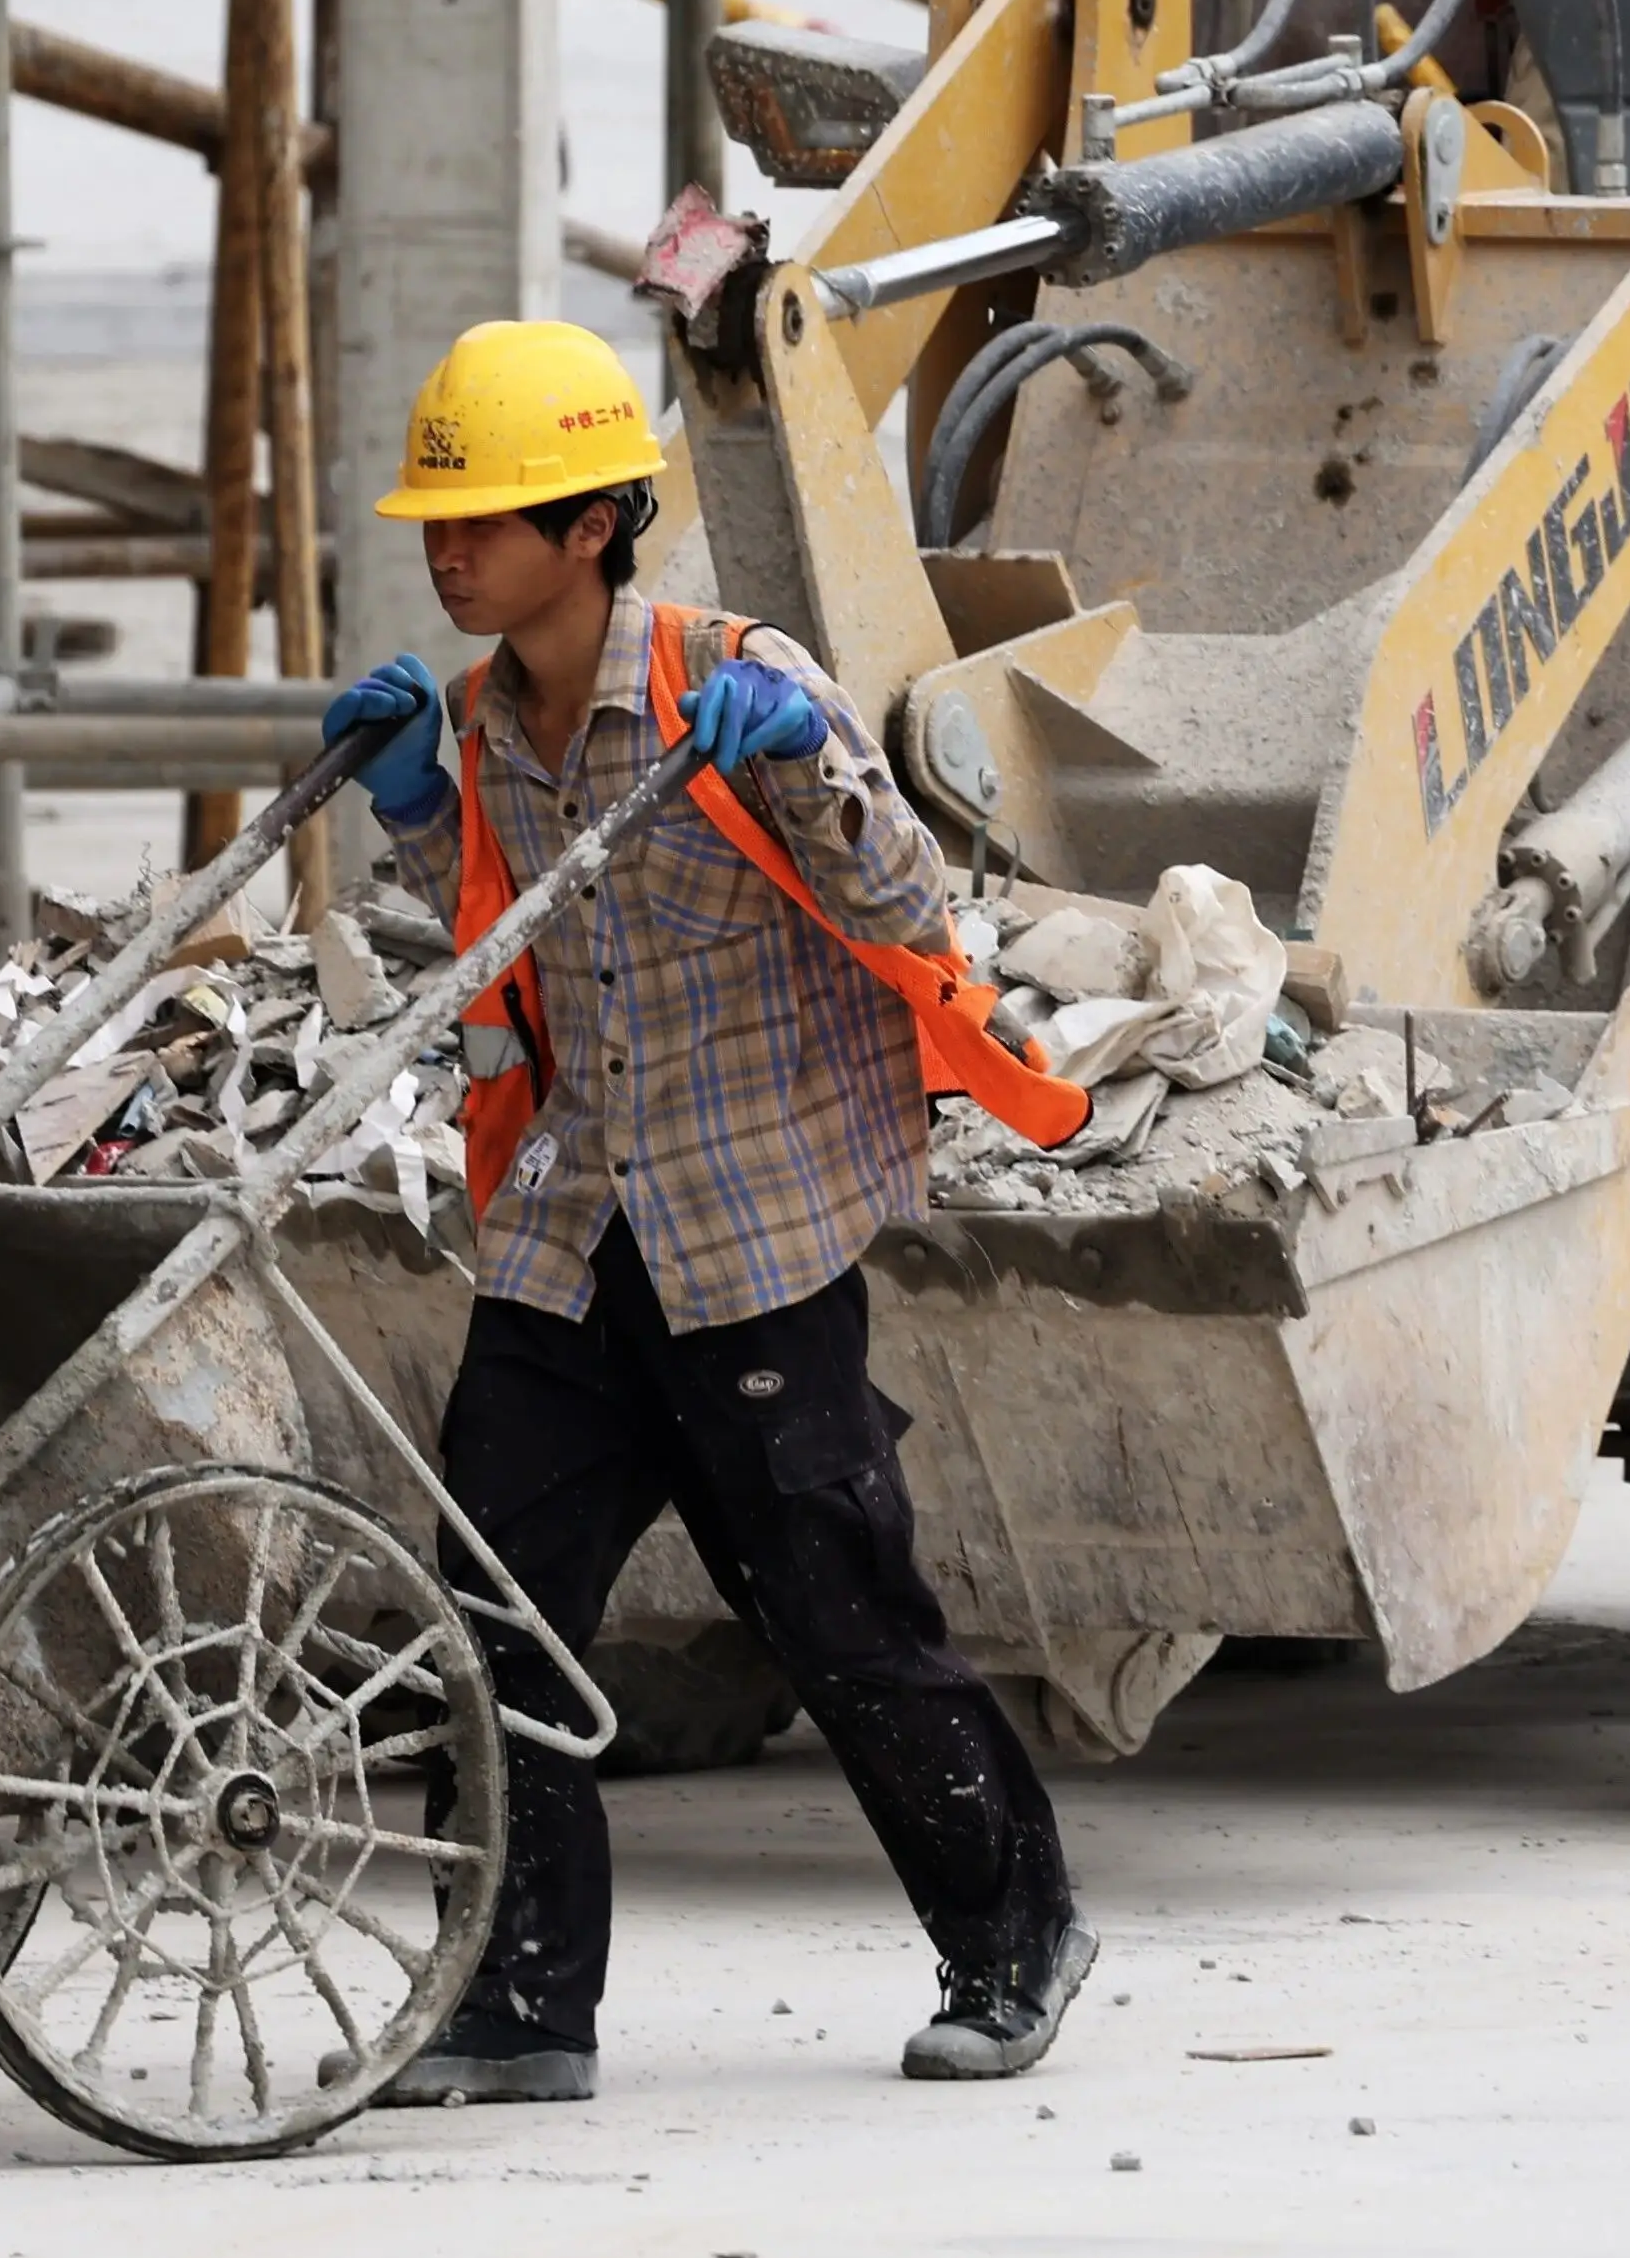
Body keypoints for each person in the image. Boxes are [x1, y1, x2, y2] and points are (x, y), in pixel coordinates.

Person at [319, 320, 1100, 2105]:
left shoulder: (734, 681)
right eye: (440, 523)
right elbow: (510, 945)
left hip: (752, 1232)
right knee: (490, 1612)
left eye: (485, 521)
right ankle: (519, 2001)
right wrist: (422, 806)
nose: (449, 554)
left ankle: (1017, 1936)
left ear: (591, 528)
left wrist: (801, 763)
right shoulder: (482, 723)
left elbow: (905, 902)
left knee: (836, 1611)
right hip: (569, 1227)